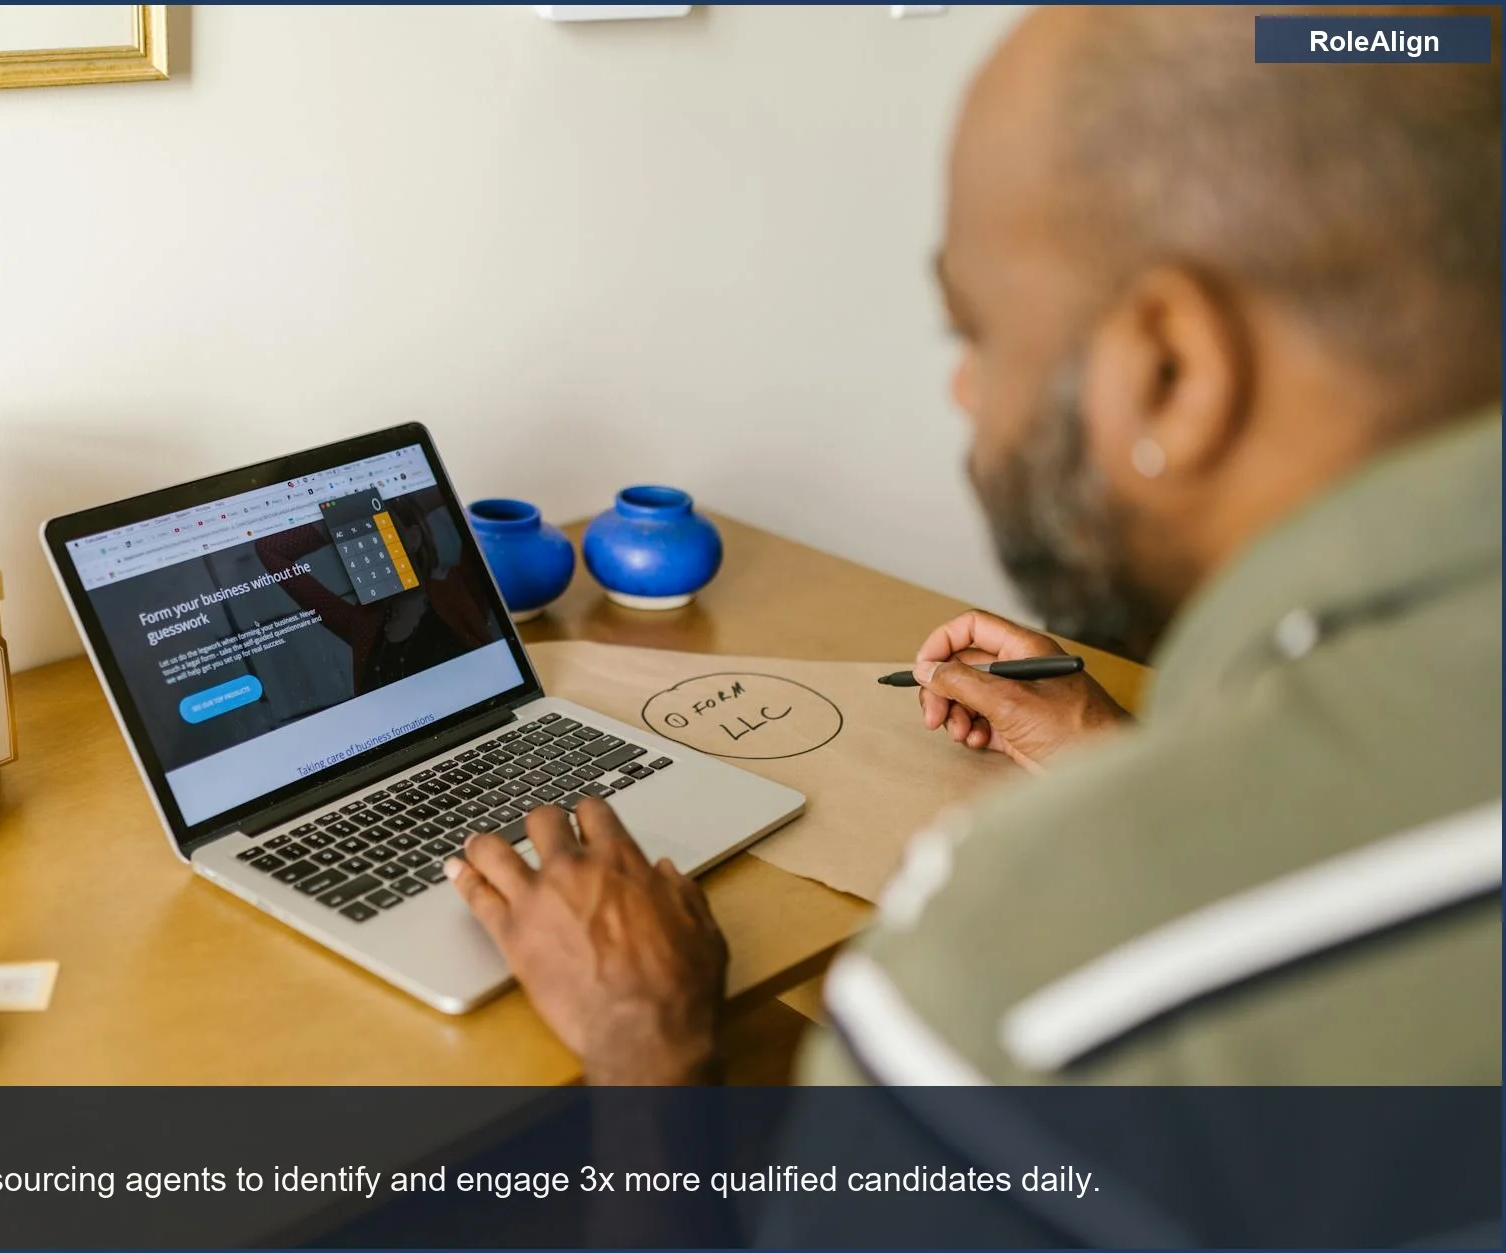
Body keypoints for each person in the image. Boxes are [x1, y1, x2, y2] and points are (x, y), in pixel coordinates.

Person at [441, 4, 1502, 1090]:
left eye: (978, 333)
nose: (962, 389)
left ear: (1171, 371)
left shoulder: (1022, 977)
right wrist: (1115, 754)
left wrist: (644, 1042)